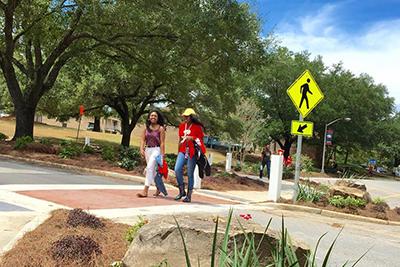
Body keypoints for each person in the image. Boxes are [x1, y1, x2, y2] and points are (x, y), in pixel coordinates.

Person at [174, 108, 206, 203]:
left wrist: (192, 138)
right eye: (184, 116)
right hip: (183, 150)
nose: (185, 118)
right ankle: (181, 190)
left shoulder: (197, 127)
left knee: (189, 173)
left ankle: (189, 195)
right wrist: (178, 151)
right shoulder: (182, 126)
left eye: (187, 116)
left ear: (191, 117)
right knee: (177, 169)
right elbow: (180, 139)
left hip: (192, 152)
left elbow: (200, 140)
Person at [137, 110, 166, 197]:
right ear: (149, 117)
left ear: (158, 118)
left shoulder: (161, 129)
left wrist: (162, 154)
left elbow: (162, 142)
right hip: (148, 150)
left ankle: (145, 190)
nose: (153, 117)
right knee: (152, 171)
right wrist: (141, 149)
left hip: (156, 150)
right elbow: (142, 140)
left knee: (149, 168)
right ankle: (159, 188)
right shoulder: (146, 128)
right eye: (151, 116)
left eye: (155, 116)